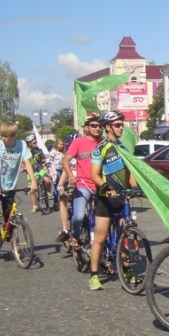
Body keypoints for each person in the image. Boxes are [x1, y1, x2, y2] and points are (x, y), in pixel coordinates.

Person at [88, 110, 137, 291]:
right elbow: (94, 174)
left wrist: (134, 186)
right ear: (108, 127)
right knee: (100, 238)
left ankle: (127, 270)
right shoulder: (101, 148)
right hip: (105, 199)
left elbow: (130, 173)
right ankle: (94, 275)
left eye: (122, 124)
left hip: (122, 198)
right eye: (117, 125)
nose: (121, 127)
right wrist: (106, 187)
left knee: (126, 234)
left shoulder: (123, 149)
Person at [0, 121, 37, 266]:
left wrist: (33, 181)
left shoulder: (21, 145)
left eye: (5, 136)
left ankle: (15, 245)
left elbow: (28, 163)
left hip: (9, 186)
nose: (2, 138)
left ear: (13, 136)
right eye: (2, 135)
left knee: (10, 217)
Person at [60, 113, 103, 251]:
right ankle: (75, 235)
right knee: (78, 216)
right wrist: (71, 176)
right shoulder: (79, 142)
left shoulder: (103, 143)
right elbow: (65, 160)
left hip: (101, 185)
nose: (97, 128)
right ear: (86, 128)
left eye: (100, 126)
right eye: (94, 125)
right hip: (83, 185)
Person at [24, 134, 53, 214]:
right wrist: (23, 168)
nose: (36, 143)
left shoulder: (39, 150)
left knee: (47, 180)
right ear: (29, 143)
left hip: (40, 169)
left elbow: (44, 160)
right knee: (32, 190)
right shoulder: (26, 152)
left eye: (36, 141)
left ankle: (48, 192)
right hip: (31, 171)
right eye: (34, 142)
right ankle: (34, 206)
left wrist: (45, 167)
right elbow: (23, 163)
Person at [49, 139, 69, 241]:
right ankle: (56, 200)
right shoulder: (53, 152)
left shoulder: (64, 152)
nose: (62, 145)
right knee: (59, 187)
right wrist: (50, 170)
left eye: (63, 144)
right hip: (57, 170)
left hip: (64, 169)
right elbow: (50, 161)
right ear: (57, 144)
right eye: (61, 144)